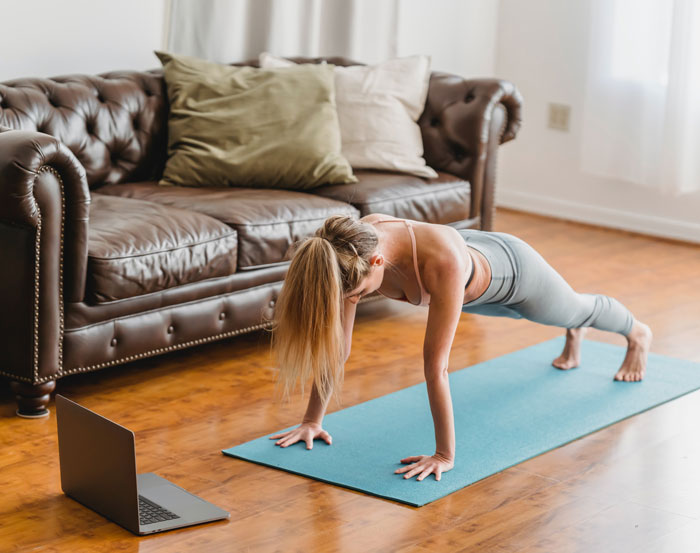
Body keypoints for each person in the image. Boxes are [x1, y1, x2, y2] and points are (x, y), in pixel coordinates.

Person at [268, 213, 652, 482]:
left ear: (379, 262)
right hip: (471, 274)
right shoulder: (350, 249)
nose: (356, 299)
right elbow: (340, 348)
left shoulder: (440, 264)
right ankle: (574, 331)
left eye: (360, 293)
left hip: (513, 273)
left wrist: (443, 456)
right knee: (559, 317)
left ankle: (637, 333)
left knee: (574, 308)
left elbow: (436, 368)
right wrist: (312, 421)